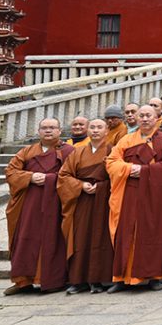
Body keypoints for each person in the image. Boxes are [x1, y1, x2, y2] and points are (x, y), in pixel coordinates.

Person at [105, 105, 162, 293]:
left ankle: (154, 276)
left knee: (153, 232)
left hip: (155, 194)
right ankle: (122, 277)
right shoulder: (126, 140)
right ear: (136, 119)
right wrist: (130, 169)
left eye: (148, 116)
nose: (145, 119)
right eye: (142, 116)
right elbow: (111, 162)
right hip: (130, 192)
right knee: (126, 232)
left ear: (156, 118)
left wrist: (145, 171)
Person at [3, 118, 73, 295]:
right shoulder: (27, 151)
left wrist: (51, 179)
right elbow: (11, 171)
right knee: (25, 238)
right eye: (44, 128)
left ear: (59, 131)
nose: (48, 131)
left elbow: (74, 174)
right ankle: (23, 281)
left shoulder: (69, 151)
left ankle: (52, 280)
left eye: (52, 128)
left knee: (52, 239)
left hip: (56, 203)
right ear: (39, 131)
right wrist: (30, 177)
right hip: (29, 204)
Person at [58, 118, 113, 294]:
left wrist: (102, 187)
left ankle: (98, 279)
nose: (95, 130)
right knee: (80, 237)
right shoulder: (78, 152)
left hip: (104, 201)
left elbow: (119, 174)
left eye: (99, 127)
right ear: (88, 131)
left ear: (106, 131)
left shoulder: (113, 150)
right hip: (81, 200)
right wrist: (80, 185)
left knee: (100, 238)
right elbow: (64, 175)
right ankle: (78, 280)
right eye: (92, 127)